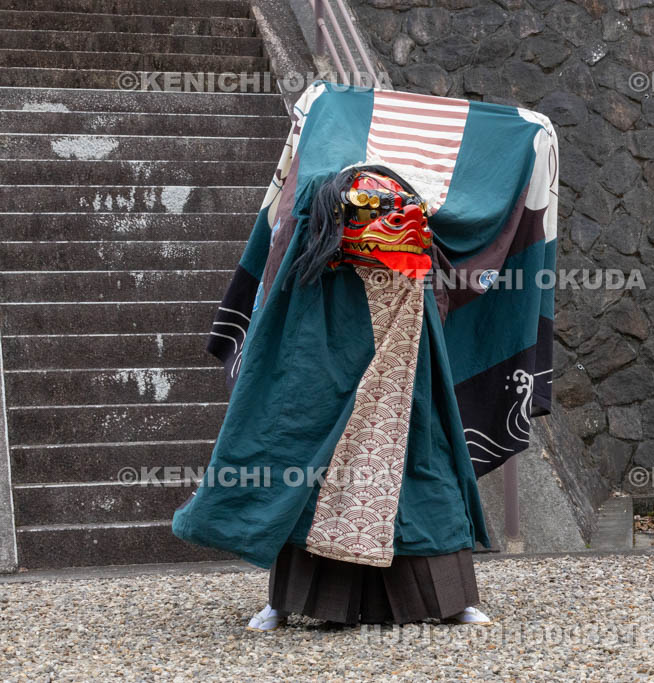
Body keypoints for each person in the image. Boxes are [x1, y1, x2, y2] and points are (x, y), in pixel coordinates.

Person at [172, 84, 558, 631]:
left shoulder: (418, 223)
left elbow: (470, 214)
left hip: (408, 324)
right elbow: (295, 219)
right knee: (308, 451)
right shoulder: (321, 191)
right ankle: (286, 601)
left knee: (422, 460)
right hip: (328, 319)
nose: (385, 215)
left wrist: (529, 139)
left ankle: (447, 598)